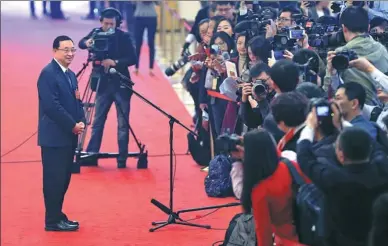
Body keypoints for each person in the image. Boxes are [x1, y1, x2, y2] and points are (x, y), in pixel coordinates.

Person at [37, 35, 85, 231]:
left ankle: (58, 215)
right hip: (55, 137)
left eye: (73, 50)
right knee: (54, 179)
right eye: (65, 50)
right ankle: (52, 221)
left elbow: (77, 100)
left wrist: (81, 120)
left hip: (68, 136)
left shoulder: (70, 74)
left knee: (64, 178)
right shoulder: (48, 74)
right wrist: (72, 125)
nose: (70, 53)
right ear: (54, 51)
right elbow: (51, 106)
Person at [79, 8, 137, 168]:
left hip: (121, 84)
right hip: (102, 84)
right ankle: (91, 155)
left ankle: (122, 158)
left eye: (112, 24)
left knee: (122, 124)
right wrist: (88, 42)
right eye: (106, 24)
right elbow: (81, 43)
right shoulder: (96, 33)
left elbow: (133, 58)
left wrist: (115, 62)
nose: (109, 27)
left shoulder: (123, 37)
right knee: (97, 121)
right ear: (101, 22)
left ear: (117, 23)